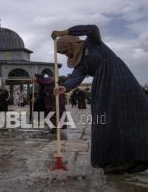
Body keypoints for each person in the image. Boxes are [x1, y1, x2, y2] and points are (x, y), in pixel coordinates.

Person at [52, 25, 148, 174]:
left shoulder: (93, 43)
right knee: (107, 121)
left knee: (132, 116)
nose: (66, 55)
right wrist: (65, 87)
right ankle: (116, 160)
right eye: (63, 54)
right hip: (104, 87)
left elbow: (92, 29)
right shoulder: (80, 62)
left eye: (65, 51)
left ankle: (140, 157)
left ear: (72, 44)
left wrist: (65, 32)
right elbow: (76, 77)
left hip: (120, 79)